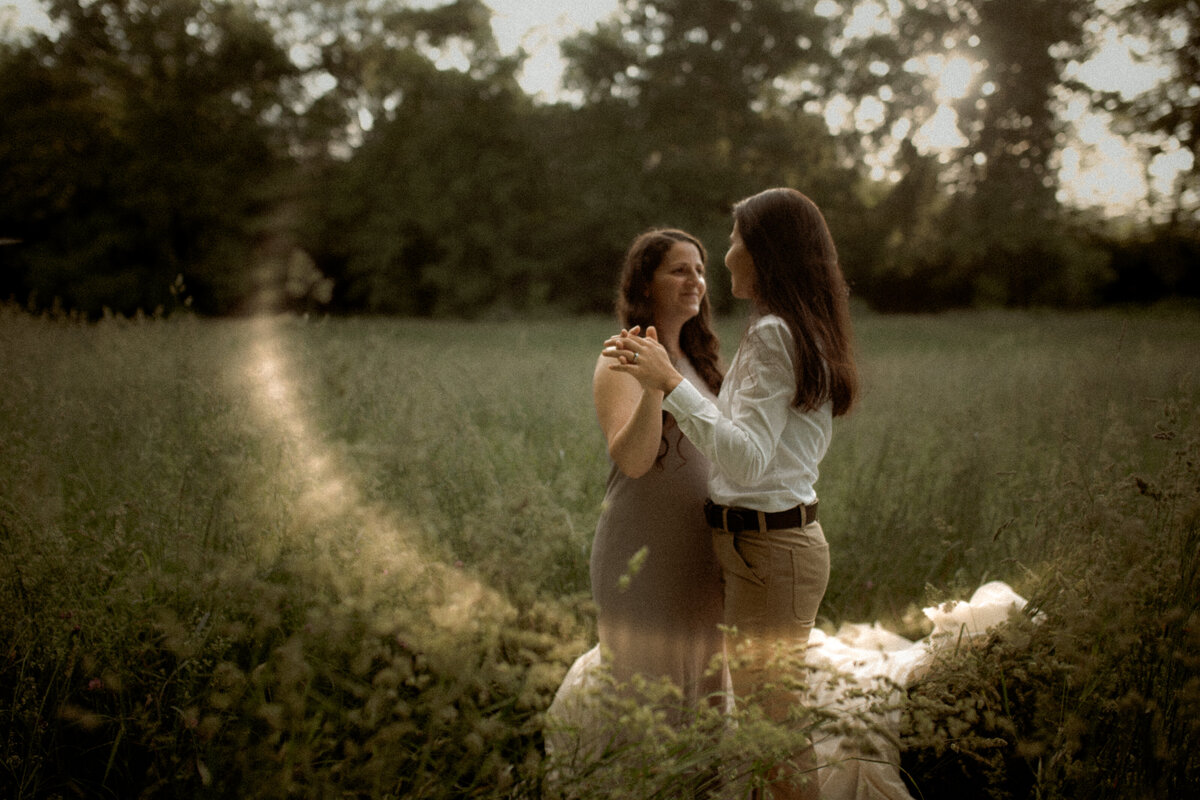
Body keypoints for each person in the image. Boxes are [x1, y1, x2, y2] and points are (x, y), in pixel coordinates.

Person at [603, 188, 859, 800]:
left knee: (775, 734)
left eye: (736, 240)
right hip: (762, 552)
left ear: (766, 252)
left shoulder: (775, 334)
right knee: (766, 728)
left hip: (774, 555)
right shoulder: (784, 328)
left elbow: (745, 460)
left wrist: (670, 384)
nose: (726, 255)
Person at [589, 227, 727, 723]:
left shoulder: (705, 363)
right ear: (646, 284)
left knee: (706, 708)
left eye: (700, 270)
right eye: (679, 269)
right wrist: (654, 386)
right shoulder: (620, 358)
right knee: (648, 714)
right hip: (642, 555)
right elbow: (633, 460)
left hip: (703, 557)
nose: (695, 280)